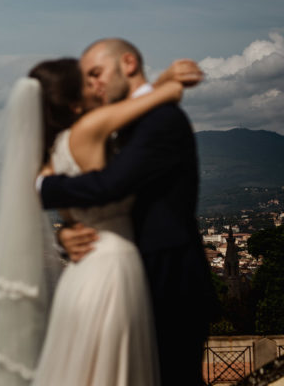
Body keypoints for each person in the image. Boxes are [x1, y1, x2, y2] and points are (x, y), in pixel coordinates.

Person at [0, 52, 192, 386]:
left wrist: (63, 235)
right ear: (75, 103)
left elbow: (52, 199)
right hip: (111, 268)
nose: (98, 85)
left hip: (80, 276)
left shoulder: (47, 158)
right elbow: (163, 97)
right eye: (90, 81)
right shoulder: (89, 129)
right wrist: (166, 81)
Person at [41, 38, 218, 385]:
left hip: (168, 282)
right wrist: (67, 232)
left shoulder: (160, 121)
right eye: (86, 79)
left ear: (128, 64)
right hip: (132, 277)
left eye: (96, 73)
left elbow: (109, 186)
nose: (92, 85)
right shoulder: (123, 124)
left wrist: (42, 188)